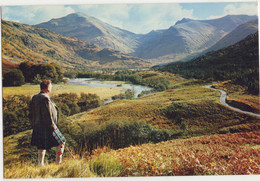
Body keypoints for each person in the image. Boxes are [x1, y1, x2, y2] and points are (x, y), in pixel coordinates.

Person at [29, 80, 66, 166]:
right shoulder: (45, 98)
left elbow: (30, 113)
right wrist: (53, 127)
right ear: (48, 88)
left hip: (38, 126)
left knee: (41, 146)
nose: (51, 88)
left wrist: (34, 123)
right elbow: (47, 114)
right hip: (48, 126)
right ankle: (58, 163)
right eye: (51, 86)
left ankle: (40, 164)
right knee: (61, 142)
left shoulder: (35, 97)